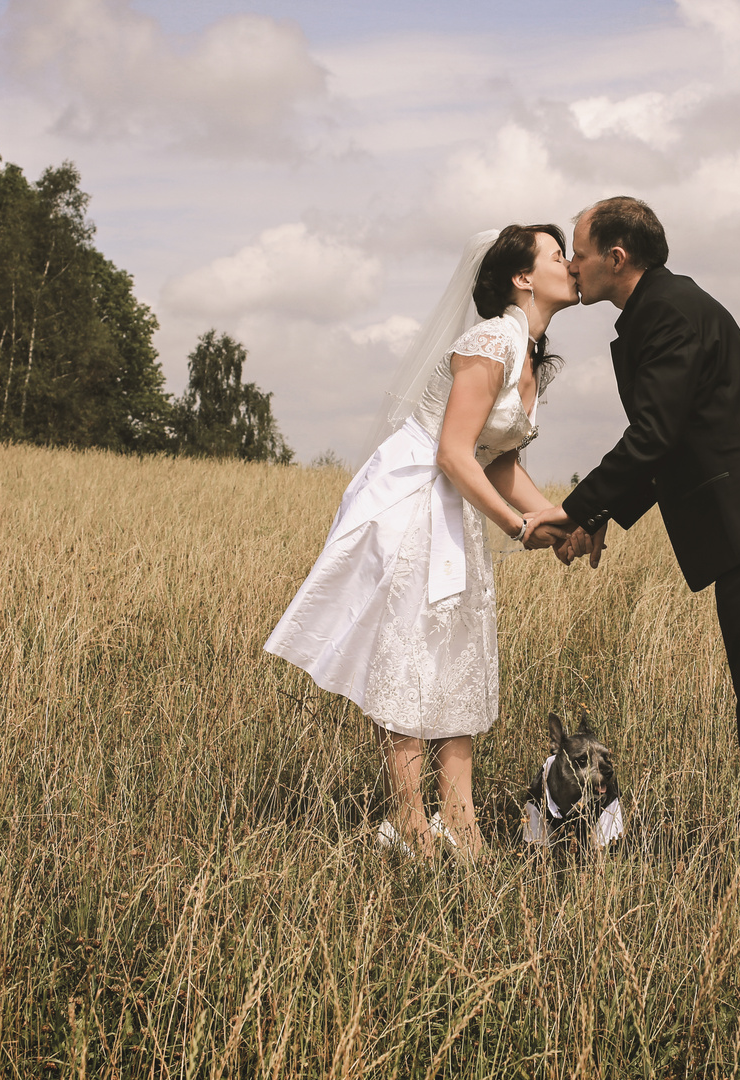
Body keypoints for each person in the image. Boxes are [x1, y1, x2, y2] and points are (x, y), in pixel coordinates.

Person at [526, 197, 740, 895]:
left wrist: (574, 509)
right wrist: (604, 516)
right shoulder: (656, 311)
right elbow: (673, 444)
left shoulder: (668, 312)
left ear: (617, 257)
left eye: (578, 251)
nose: (572, 265)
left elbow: (653, 436)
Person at [265, 225, 577, 859]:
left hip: (453, 500)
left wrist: (559, 519)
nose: (571, 264)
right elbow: (453, 451)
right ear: (522, 277)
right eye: (556, 254)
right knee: (410, 657)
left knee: (458, 654)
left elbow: (497, 460)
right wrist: (519, 527)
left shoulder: (529, 354)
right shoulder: (491, 338)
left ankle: (461, 828)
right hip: (410, 502)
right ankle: (414, 829)